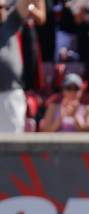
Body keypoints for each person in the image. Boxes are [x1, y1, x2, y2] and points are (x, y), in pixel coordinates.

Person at [0, 0, 40, 132]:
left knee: (12, 145)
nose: (1, 10)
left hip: (10, 94)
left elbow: (26, 3)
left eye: (2, 7)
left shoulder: (10, 21)